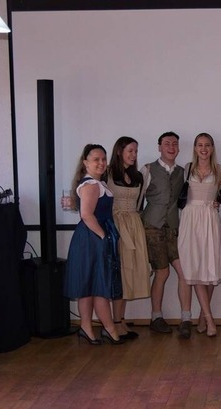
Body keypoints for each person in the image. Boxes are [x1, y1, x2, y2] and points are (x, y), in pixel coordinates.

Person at [64, 144, 124, 345]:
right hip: (92, 239)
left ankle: (88, 328)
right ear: (86, 163)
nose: (101, 163)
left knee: (90, 284)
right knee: (97, 285)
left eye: (103, 159)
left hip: (93, 237)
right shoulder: (90, 184)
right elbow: (87, 215)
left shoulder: (98, 183)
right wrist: (103, 237)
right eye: (96, 159)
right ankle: (106, 329)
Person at [141, 132, 193, 338]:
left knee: (185, 272)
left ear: (178, 148)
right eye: (167, 143)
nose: (171, 147)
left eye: (175, 144)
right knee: (162, 272)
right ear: (159, 147)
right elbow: (138, 200)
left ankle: (186, 318)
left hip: (174, 228)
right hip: (152, 227)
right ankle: (156, 317)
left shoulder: (184, 172)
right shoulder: (147, 169)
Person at [178, 132, 221, 337]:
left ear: (212, 147)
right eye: (200, 145)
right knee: (196, 267)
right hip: (190, 219)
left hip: (209, 219)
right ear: (195, 148)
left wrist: (218, 201)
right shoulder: (187, 168)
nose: (204, 148)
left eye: (207, 145)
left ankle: (202, 317)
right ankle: (210, 319)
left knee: (210, 268)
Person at [106, 136, 151, 340]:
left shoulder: (138, 177)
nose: (134, 155)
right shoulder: (107, 173)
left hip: (133, 224)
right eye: (130, 151)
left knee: (129, 273)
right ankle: (115, 322)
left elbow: (140, 204)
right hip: (115, 224)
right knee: (119, 272)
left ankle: (120, 319)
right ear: (119, 151)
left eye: (135, 151)